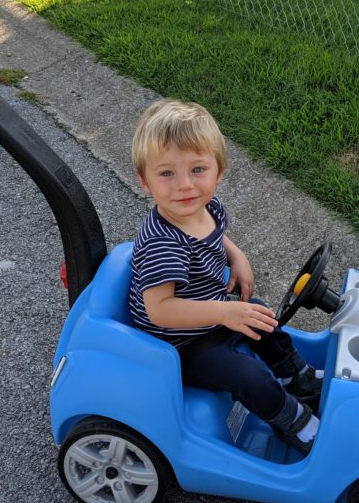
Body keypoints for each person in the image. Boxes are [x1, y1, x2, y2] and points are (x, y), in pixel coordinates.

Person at [129, 98, 322, 455]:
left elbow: (218, 236)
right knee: (245, 375)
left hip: (210, 314)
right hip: (178, 345)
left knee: (259, 312)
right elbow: (160, 310)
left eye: (197, 170)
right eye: (166, 173)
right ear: (144, 181)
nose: (185, 185)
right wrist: (223, 313)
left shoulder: (206, 206)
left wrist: (238, 256)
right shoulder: (163, 244)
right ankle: (292, 421)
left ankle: (298, 376)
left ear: (219, 171)